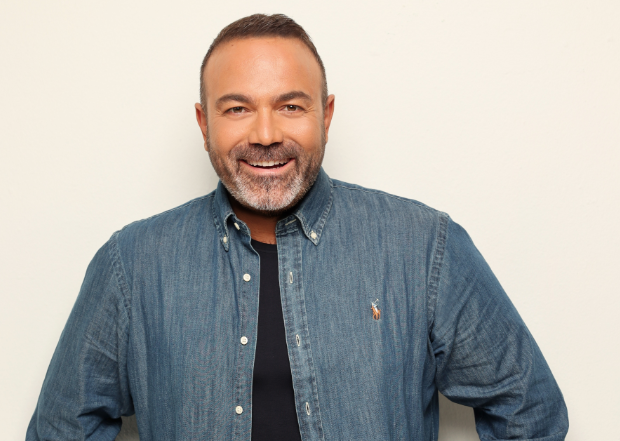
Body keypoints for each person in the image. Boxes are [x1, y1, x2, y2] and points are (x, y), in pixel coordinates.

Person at [26, 13, 569, 441]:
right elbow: (62, 430)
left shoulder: (424, 247)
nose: (265, 134)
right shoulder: (132, 264)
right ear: (204, 123)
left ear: (325, 116)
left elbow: (529, 411)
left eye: (290, 106)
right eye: (237, 109)